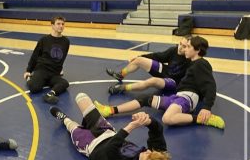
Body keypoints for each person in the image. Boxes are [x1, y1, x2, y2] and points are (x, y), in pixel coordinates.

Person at [94, 36, 225, 129]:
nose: (185, 49)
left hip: (187, 98)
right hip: (178, 96)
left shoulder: (201, 64)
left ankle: (203, 119)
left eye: (188, 47)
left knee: (167, 119)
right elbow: (159, 56)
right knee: (146, 99)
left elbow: (210, 85)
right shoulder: (194, 63)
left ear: (197, 50)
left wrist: (207, 107)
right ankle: (109, 110)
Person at [50, 93, 172, 160]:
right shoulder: (156, 157)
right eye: (151, 152)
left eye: (147, 155)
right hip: (107, 132)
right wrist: (147, 121)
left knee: (72, 127)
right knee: (81, 96)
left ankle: (64, 118)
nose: (148, 151)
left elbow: (110, 149)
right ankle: (87, 122)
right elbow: (158, 130)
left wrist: (130, 127)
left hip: (92, 146)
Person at [106, 37, 190, 95]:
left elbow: (195, 78)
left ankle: (123, 88)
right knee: (139, 60)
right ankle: (121, 75)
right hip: (166, 71)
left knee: (152, 81)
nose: (180, 48)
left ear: (190, 48)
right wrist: (141, 56)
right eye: (180, 44)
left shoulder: (191, 60)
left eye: (184, 46)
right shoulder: (173, 50)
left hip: (173, 82)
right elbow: (158, 56)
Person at [24, 15, 70, 103]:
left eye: (63, 24)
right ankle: (30, 78)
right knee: (34, 88)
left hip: (54, 73)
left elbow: (63, 57)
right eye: (58, 24)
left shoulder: (66, 41)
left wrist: (60, 69)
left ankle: (50, 94)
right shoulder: (44, 40)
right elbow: (35, 55)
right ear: (52, 25)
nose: (61, 26)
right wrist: (28, 70)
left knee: (64, 83)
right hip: (42, 69)